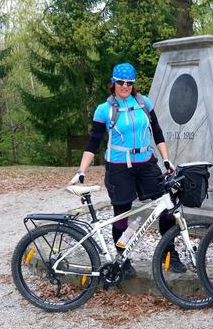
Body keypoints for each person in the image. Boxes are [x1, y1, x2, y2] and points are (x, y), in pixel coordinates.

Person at [69, 62, 185, 277]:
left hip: (146, 164)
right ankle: (123, 259)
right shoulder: (104, 110)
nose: (125, 86)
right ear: (113, 83)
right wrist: (81, 170)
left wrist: (166, 160)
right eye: (120, 82)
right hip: (119, 167)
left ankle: (169, 253)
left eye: (129, 83)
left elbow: (157, 133)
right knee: (121, 215)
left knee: (167, 206)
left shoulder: (143, 103)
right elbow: (93, 142)